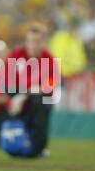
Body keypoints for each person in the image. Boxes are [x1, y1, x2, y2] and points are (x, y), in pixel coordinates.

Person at [4, 23, 60, 158]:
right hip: (17, 95)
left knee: (42, 101)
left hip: (37, 98)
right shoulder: (17, 55)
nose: (32, 44)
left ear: (43, 42)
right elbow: (6, 78)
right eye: (30, 41)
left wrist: (27, 93)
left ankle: (37, 148)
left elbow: (51, 84)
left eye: (36, 41)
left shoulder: (49, 59)